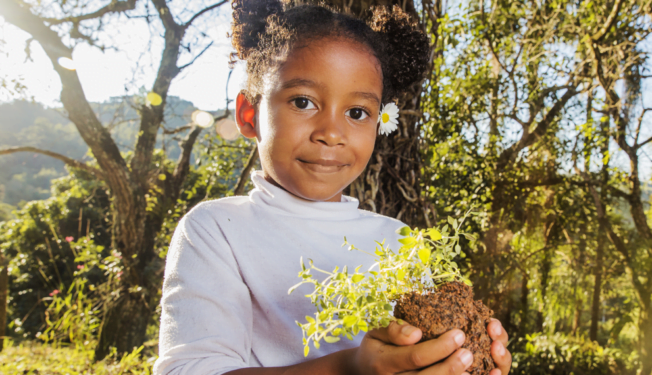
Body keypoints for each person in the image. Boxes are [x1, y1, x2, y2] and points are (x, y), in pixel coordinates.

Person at [154, 1, 512, 374]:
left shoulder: (399, 242)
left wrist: (463, 359)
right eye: (303, 102)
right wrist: (349, 369)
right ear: (249, 114)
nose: (331, 133)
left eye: (357, 113)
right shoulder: (217, 230)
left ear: (378, 123)